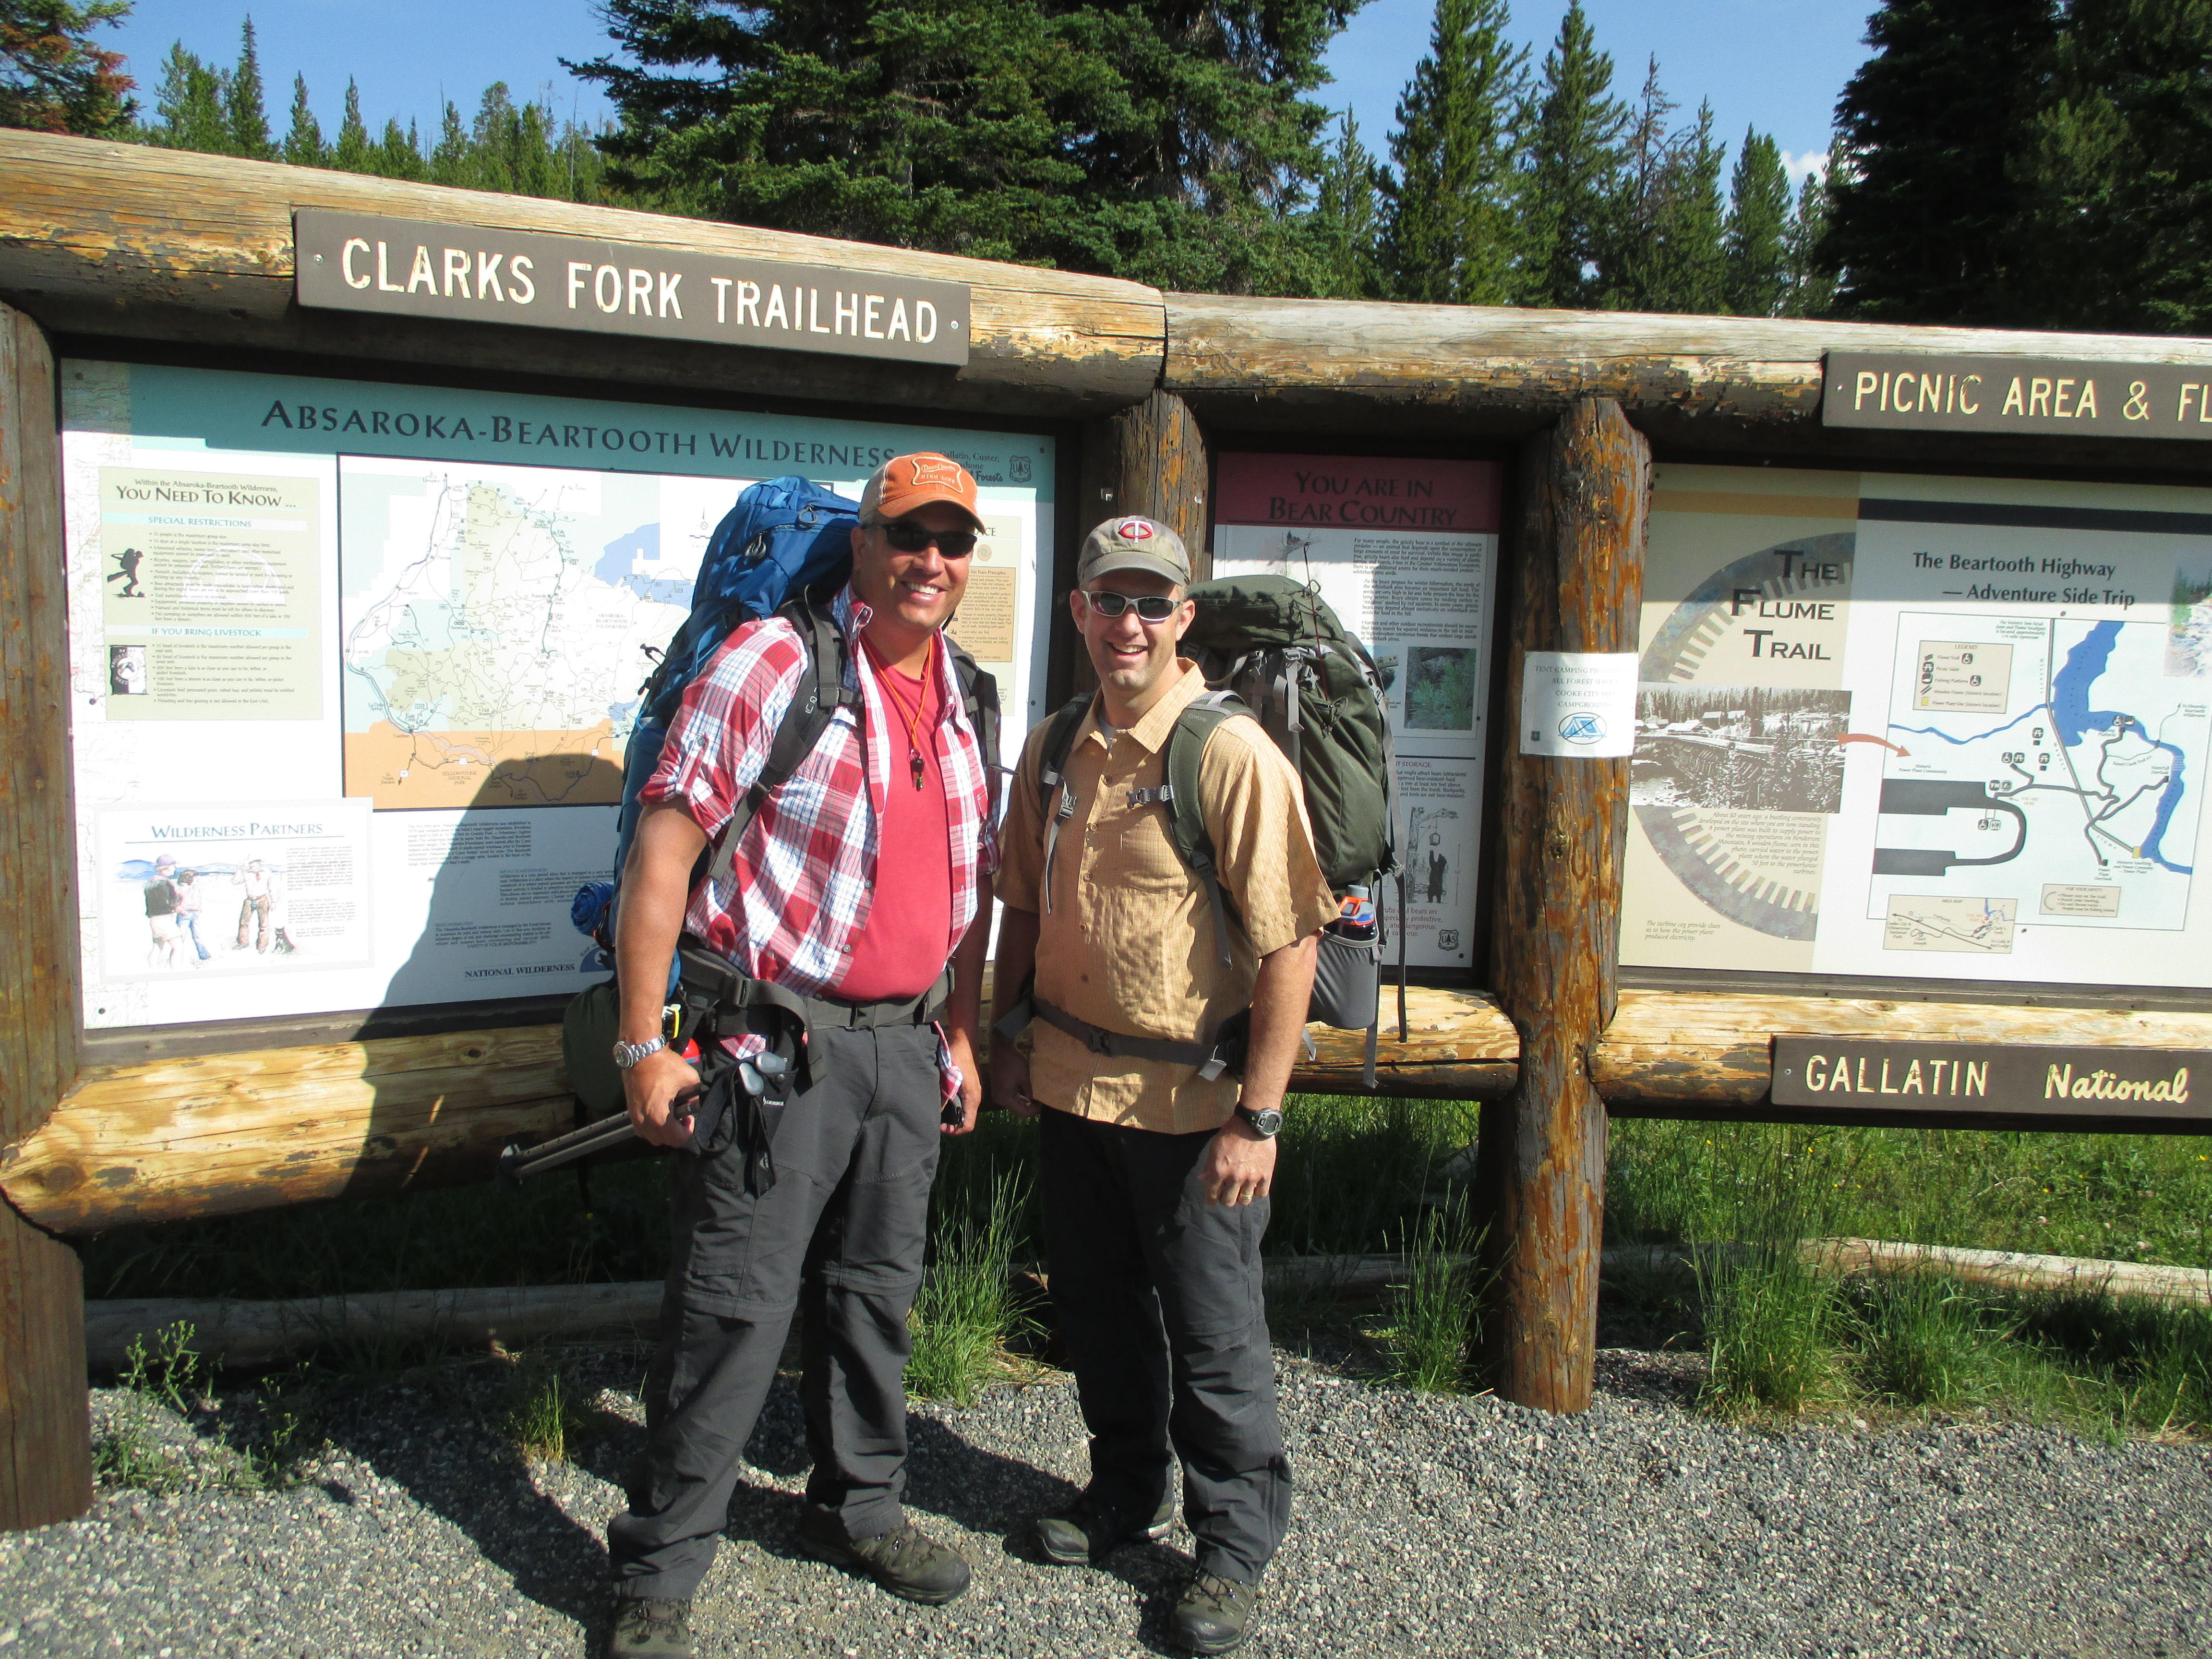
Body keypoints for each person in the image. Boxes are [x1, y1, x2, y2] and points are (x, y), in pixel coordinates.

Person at [603, 453, 1000, 1659]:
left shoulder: (968, 691)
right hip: (775, 1047)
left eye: (953, 538)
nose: (931, 558)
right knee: (732, 1310)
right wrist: (641, 1044)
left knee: (875, 1298)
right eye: (908, 534)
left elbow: (968, 888)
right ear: (865, 543)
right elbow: (664, 853)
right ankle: (660, 1572)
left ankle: (859, 1504)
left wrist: (964, 1034)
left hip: (906, 1050)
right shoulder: (775, 663)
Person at [989, 517, 1333, 1657]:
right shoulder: (1055, 745)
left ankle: (1232, 1541)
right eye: (1108, 600)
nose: (1126, 623)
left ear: (1184, 617)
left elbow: (1291, 944)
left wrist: (1262, 1116)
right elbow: (1024, 909)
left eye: (1150, 603)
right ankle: (1124, 1488)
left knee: (1213, 1327)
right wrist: (1005, 1038)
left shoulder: (1223, 753)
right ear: (1080, 610)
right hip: (1075, 1086)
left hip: (1197, 1113)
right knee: (1094, 1305)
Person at [143, 854, 183, 969]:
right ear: (167, 867)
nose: (175, 868)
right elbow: (172, 902)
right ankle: (176, 972)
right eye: (173, 866)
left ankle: (152, 971)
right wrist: (180, 895)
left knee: (157, 947)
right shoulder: (165, 883)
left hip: (154, 920)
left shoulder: (151, 883)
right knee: (178, 947)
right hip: (165, 920)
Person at [233, 858, 277, 952]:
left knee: (264, 924)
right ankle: (243, 943)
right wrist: (239, 870)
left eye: (253, 864)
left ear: (258, 863)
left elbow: (272, 887)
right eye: (250, 865)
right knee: (243, 923)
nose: (251, 866)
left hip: (262, 900)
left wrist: (274, 901)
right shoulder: (246, 873)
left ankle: (262, 947)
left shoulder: (267, 873)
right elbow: (235, 882)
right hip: (250, 900)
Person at [172, 868, 211, 963]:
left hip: (194, 914)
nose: (198, 879)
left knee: (198, 936)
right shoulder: (182, 888)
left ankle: (204, 955)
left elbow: (198, 901)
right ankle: (176, 958)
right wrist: (181, 910)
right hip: (184, 915)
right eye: (196, 877)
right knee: (180, 937)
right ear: (190, 878)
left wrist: (198, 909)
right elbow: (175, 901)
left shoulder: (195, 889)